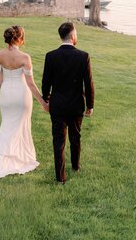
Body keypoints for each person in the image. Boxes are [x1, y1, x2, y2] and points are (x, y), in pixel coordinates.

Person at [0, 25, 49, 179]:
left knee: (7, 127)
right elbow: (31, 84)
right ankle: (8, 160)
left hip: (6, 94)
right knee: (19, 128)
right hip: (22, 95)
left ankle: (9, 158)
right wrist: (43, 102)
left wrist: (7, 91)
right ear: (20, 39)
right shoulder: (25, 58)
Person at [42, 21, 94, 184]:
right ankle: (76, 166)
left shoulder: (51, 56)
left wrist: (46, 98)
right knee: (75, 137)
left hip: (57, 105)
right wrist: (90, 105)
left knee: (58, 141)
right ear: (72, 36)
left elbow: (46, 82)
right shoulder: (83, 56)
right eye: (76, 34)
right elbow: (89, 83)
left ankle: (60, 177)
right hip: (76, 105)